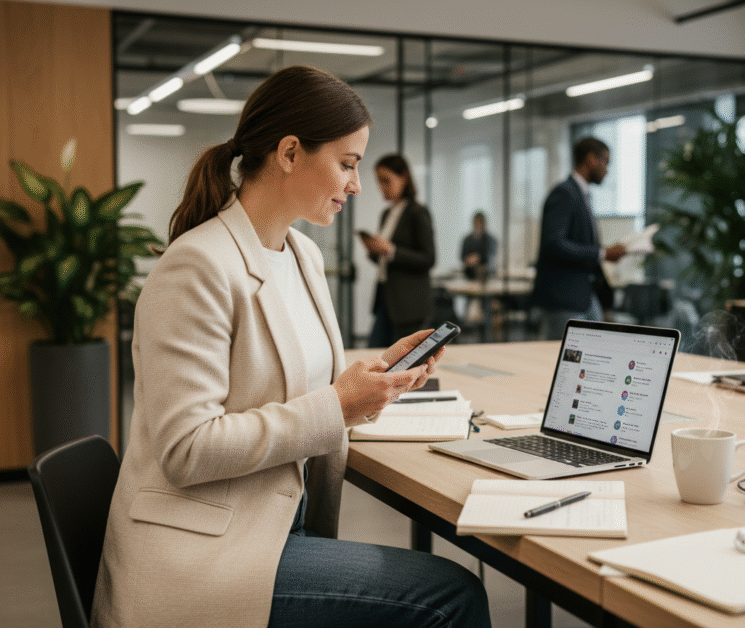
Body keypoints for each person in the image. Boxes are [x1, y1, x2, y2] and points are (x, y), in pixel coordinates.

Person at [91, 66, 491, 628]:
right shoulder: (197, 265)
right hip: (202, 551)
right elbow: (186, 449)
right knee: (451, 594)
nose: (356, 184)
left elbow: (299, 388)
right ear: (289, 153)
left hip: (275, 523)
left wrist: (376, 380)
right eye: (347, 164)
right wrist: (338, 405)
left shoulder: (302, 254)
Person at [531, 136, 627, 340]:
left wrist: (604, 253)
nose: (607, 170)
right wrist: (602, 253)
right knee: (563, 354)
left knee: (596, 346)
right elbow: (554, 243)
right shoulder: (564, 193)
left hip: (583, 294)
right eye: (605, 162)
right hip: (563, 297)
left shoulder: (580, 194)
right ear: (591, 159)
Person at [360, 154, 436, 348]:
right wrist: (375, 252)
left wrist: (392, 250)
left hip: (409, 304)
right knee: (376, 353)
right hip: (386, 298)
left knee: (401, 360)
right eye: (379, 182)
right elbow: (388, 261)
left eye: (386, 181)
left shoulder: (417, 212)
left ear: (404, 177)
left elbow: (429, 258)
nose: (382, 187)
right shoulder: (386, 214)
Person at [460, 210, 498, 280]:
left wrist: (478, 258)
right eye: (476, 222)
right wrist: (468, 260)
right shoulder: (467, 240)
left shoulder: (490, 240)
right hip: (469, 274)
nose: (478, 225)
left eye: (480, 222)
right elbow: (462, 256)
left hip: (486, 275)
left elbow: (490, 257)